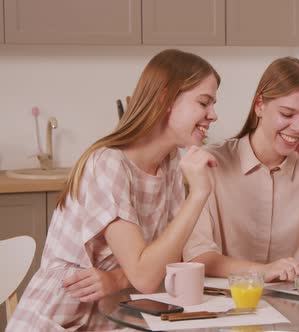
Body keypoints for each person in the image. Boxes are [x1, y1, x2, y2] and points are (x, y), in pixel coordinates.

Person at [7, 49, 220, 331]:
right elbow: (146, 276)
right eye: (204, 103)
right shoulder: (108, 164)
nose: (213, 115)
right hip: (60, 319)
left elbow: (168, 263)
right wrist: (198, 194)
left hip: (116, 313)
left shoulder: (169, 163)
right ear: (165, 98)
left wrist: (118, 279)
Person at [183, 57, 299, 282]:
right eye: (286, 114)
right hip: (230, 306)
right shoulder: (212, 165)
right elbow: (198, 256)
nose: (297, 127)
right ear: (260, 105)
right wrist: (262, 270)